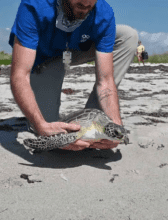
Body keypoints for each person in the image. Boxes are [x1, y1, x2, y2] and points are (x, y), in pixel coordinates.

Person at [8, 0, 138, 151]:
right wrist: (41, 125)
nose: (87, 3)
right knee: (49, 129)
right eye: (80, 3)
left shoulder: (103, 11)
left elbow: (106, 81)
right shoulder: (35, 5)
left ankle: (98, 122)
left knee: (128, 35)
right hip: (45, 57)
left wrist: (116, 126)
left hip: (76, 48)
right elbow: (19, 75)